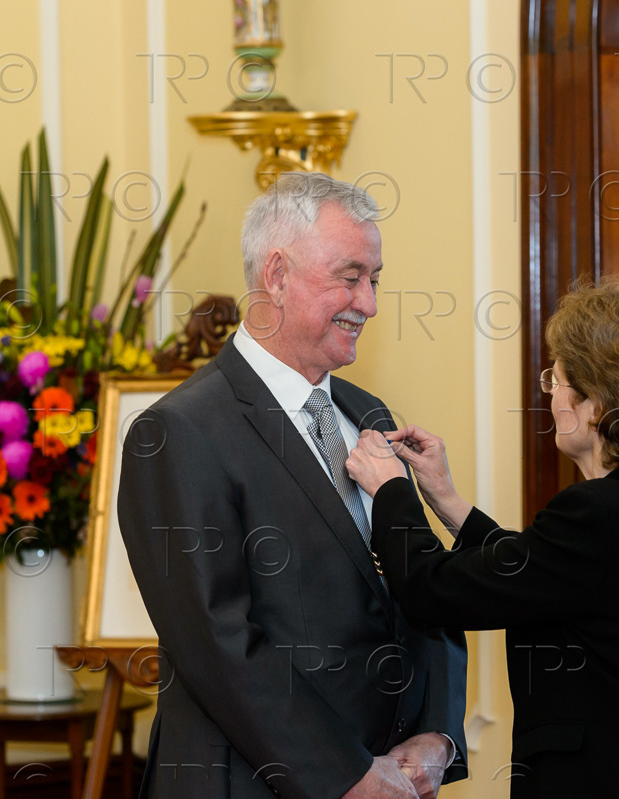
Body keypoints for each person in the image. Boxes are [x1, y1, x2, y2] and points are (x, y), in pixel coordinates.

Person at [118, 172, 467, 799]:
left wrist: (437, 736)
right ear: (276, 274)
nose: (369, 304)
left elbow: (421, 584)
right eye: (350, 277)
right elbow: (217, 643)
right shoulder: (177, 431)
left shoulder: (368, 412)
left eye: (375, 279)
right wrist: (349, 775)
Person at [347, 278, 619, 798]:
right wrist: (446, 499)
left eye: (555, 380)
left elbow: (433, 590)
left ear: (598, 399)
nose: (550, 395)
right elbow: (541, 573)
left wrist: (391, 490)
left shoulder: (600, 512)